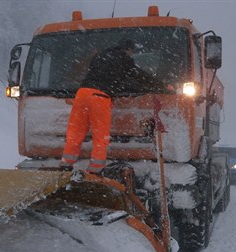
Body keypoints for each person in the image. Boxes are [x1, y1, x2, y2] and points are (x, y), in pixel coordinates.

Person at [60, 38, 163, 173]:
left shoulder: (100, 56)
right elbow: (138, 76)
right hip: (99, 97)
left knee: (75, 133)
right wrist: (159, 85)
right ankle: (95, 169)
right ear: (128, 50)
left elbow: (95, 72)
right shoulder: (124, 59)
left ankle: (66, 164)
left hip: (81, 94)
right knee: (100, 136)